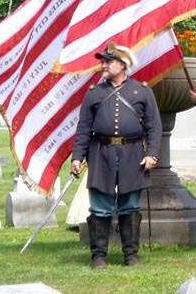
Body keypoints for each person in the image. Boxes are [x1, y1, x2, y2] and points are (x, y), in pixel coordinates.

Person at [71, 42, 162, 268]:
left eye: (108, 61)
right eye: (102, 61)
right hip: (101, 153)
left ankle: (130, 255)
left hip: (133, 154)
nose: (103, 65)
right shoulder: (94, 94)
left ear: (122, 64)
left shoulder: (141, 91)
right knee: (100, 206)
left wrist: (152, 154)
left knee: (130, 205)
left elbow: (154, 127)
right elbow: (83, 128)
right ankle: (98, 256)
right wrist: (77, 157)